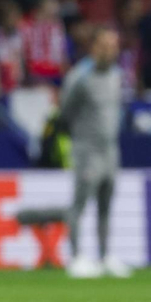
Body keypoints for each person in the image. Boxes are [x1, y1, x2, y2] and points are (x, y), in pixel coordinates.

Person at [54, 25, 125, 278]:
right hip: (87, 149)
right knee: (79, 204)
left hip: (110, 150)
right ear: (94, 48)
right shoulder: (79, 78)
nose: (111, 51)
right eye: (106, 46)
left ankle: (105, 256)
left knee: (106, 204)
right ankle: (75, 257)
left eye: (114, 46)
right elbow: (65, 113)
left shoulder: (117, 76)